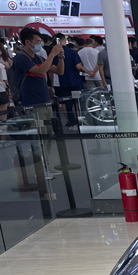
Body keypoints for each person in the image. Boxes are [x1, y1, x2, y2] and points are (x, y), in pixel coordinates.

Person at [13, 27, 65, 179]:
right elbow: (41, 71)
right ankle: (41, 169)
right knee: (39, 138)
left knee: (48, 135)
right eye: (37, 41)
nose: (40, 44)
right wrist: (52, 54)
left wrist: (60, 57)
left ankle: (46, 166)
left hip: (44, 102)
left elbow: (59, 71)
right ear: (27, 42)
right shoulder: (21, 58)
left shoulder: (39, 58)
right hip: (32, 103)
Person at [53, 33, 88, 127]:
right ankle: (81, 121)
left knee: (67, 103)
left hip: (63, 82)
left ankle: (72, 122)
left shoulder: (54, 54)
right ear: (64, 40)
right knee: (77, 102)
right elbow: (78, 66)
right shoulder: (73, 52)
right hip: (75, 81)